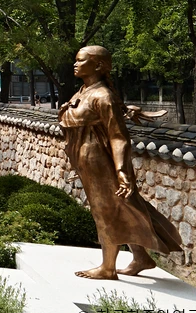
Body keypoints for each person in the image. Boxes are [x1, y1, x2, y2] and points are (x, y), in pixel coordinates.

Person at [58, 45, 182, 279]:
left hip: (98, 161)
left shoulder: (102, 95)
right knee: (123, 207)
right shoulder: (85, 91)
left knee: (104, 210)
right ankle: (141, 257)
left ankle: (107, 268)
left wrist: (122, 171)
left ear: (97, 65)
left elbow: (119, 137)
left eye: (80, 60)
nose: (75, 64)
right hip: (85, 158)